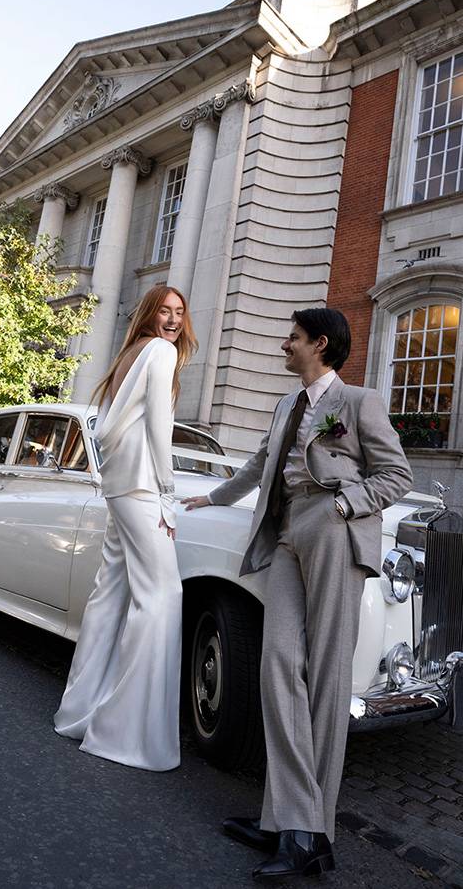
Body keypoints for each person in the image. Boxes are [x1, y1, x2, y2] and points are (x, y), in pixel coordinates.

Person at [182, 308, 412, 879]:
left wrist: (341, 507)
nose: (286, 344)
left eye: (294, 338)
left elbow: (396, 475)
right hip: (285, 535)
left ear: (321, 345)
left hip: (334, 531)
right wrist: (213, 499)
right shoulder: (288, 404)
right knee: (277, 664)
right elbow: (262, 465)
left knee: (327, 683)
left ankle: (307, 830)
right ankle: (291, 821)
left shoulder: (359, 402)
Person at [54, 283, 197, 771]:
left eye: (180, 312)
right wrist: (168, 493)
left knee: (110, 594)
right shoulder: (158, 351)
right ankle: (123, 730)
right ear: (149, 316)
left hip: (120, 486)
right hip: (140, 488)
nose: (173, 319)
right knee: (161, 596)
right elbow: (158, 427)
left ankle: (79, 712)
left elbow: (109, 425)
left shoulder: (130, 353)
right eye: (164, 311)